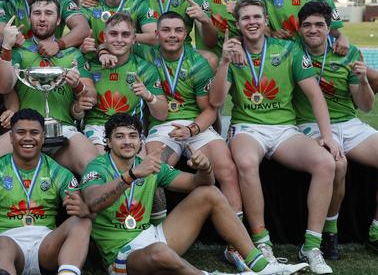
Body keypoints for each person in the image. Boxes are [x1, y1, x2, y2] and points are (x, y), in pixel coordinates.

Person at [80, 113, 308, 275]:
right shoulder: (97, 167)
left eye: (132, 136)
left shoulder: (147, 163)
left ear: (141, 141)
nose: (127, 141)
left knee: (209, 193)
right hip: (122, 255)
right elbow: (92, 202)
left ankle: (261, 267)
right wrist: (131, 175)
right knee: (160, 252)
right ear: (108, 142)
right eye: (119, 136)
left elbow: (198, 184)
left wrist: (204, 168)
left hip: (152, 236)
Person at [209, 0, 341, 274]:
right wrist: (223, 63)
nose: (252, 22)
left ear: (266, 21)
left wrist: (327, 135)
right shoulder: (231, 51)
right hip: (248, 128)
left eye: (257, 16)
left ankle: (312, 246)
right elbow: (217, 101)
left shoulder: (289, 49)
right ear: (238, 23)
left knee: (327, 162)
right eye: (246, 17)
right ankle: (261, 241)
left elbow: (315, 94)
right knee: (245, 162)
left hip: (284, 129)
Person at [129, 11, 246, 270]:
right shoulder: (145, 56)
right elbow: (119, 42)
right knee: (152, 167)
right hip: (161, 126)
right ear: (156, 35)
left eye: (178, 30)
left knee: (226, 167)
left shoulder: (198, 63)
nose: (172, 35)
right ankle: (154, 236)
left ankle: (236, 245)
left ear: (186, 34)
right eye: (166, 30)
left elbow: (210, 110)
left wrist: (192, 129)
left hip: (195, 125)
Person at [0, 109, 92, 275]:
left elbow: (83, 210)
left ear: (43, 137)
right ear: (11, 137)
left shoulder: (57, 171)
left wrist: (83, 210)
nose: (27, 138)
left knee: (82, 221)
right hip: (6, 240)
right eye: (20, 132)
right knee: (3, 245)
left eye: (34, 132)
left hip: (45, 244)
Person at [294, 1, 378, 259]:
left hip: (348, 123)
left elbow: (364, 106)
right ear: (299, 29)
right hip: (308, 124)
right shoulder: (292, 51)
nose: (313, 30)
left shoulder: (348, 52)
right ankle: (330, 233)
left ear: (329, 28)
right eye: (307, 25)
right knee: (337, 165)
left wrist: (364, 79)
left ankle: (376, 229)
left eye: (319, 24)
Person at [0, 0, 98, 175]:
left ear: (58, 20)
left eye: (48, 13)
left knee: (93, 166)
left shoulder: (73, 54)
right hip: (25, 127)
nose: (42, 18)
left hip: (63, 127)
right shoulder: (19, 51)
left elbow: (91, 96)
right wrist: (7, 47)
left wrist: (78, 86)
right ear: (30, 17)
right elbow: (3, 87)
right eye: (37, 13)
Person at [82, 12, 167, 154]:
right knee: (105, 165)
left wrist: (149, 96)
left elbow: (162, 114)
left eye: (125, 35)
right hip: (97, 128)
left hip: (130, 128)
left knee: (142, 169)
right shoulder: (90, 64)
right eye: (113, 34)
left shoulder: (145, 69)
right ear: (104, 36)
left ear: (134, 39)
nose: (119, 39)